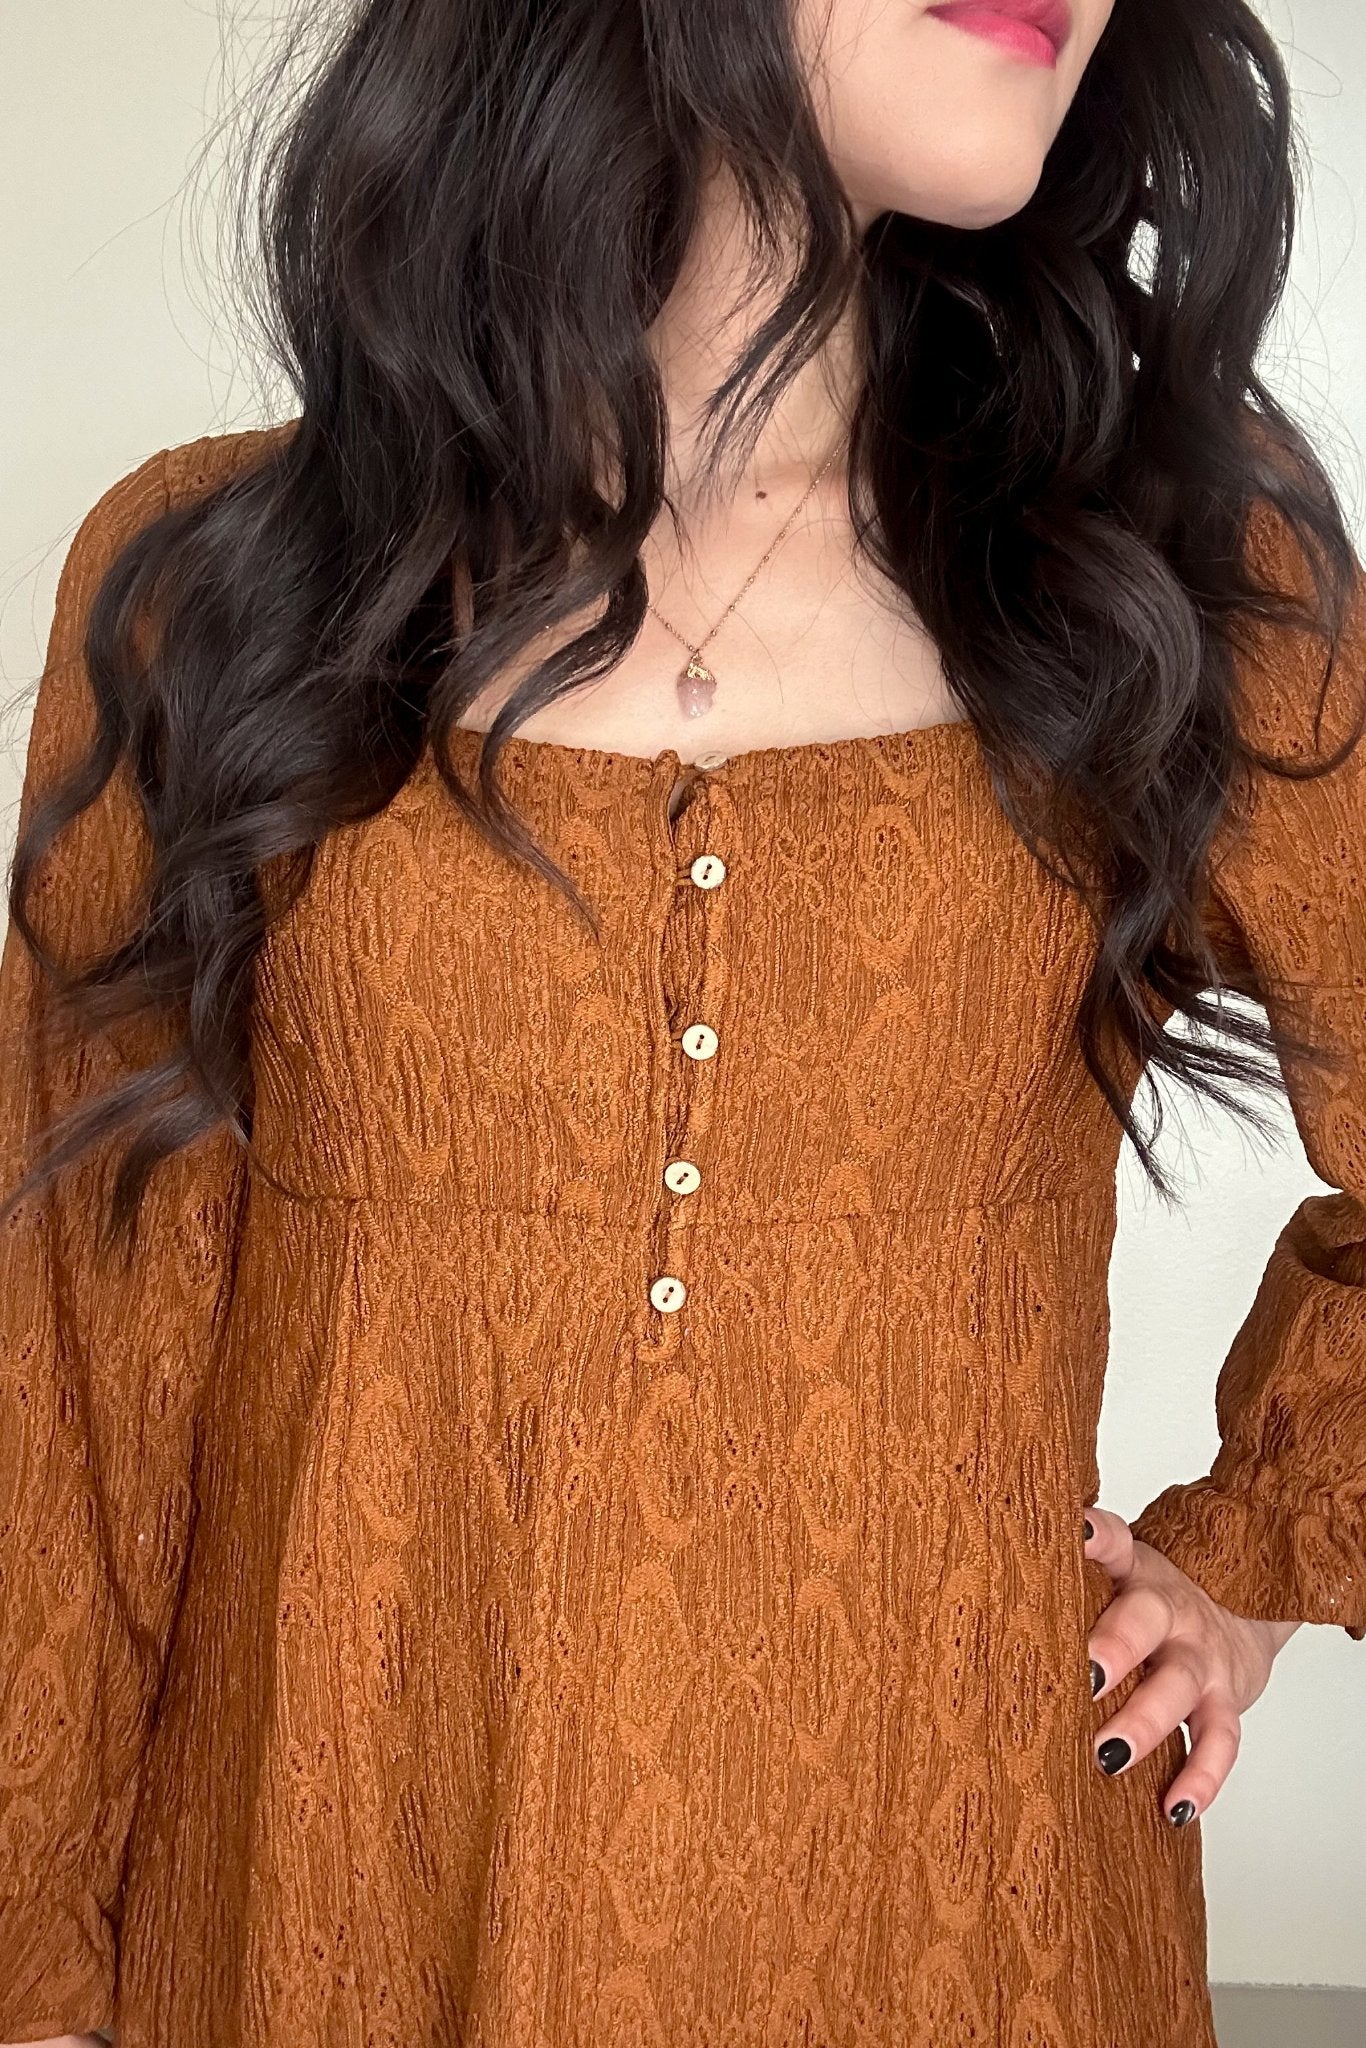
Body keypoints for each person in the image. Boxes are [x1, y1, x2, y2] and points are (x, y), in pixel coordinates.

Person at [3, 0, 1364, 2043]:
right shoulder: (225, 591)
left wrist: (1254, 1550)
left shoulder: (1171, 590)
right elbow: (71, 1393)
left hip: (953, 1938)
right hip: (319, 1928)